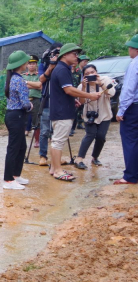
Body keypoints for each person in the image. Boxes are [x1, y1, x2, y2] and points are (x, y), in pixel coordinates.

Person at [49, 43, 100, 181]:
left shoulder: (61, 69)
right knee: (58, 141)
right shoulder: (62, 70)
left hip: (61, 110)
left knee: (57, 140)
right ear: (65, 55)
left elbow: (64, 92)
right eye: (74, 54)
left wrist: (73, 100)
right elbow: (69, 90)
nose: (76, 57)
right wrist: (89, 95)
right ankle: (58, 170)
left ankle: (54, 168)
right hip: (62, 112)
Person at [74, 64, 116, 169]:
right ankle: (79, 158)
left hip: (104, 114)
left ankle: (95, 157)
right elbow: (81, 102)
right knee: (90, 135)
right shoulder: (81, 86)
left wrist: (100, 84)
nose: (90, 75)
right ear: (83, 76)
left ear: (96, 72)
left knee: (101, 137)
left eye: (92, 72)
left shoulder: (105, 80)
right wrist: (83, 87)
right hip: (89, 115)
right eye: (87, 74)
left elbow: (111, 93)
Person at [3, 51, 32, 190]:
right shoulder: (19, 80)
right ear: (21, 64)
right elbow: (25, 103)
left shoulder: (11, 78)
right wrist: (31, 105)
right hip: (17, 116)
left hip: (12, 115)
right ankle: (8, 180)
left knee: (21, 147)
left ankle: (15, 175)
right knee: (14, 148)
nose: (28, 64)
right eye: (26, 62)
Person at [114, 34, 138, 185]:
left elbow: (129, 89)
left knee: (130, 140)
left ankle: (130, 176)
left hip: (134, 108)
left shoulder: (135, 63)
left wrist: (121, 110)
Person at [37, 42, 62, 166]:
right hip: (46, 100)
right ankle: (43, 156)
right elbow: (41, 80)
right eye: (55, 52)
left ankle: (56, 157)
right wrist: (51, 67)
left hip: (59, 100)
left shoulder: (63, 65)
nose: (58, 55)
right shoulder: (44, 64)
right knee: (45, 130)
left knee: (58, 131)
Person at [22, 55, 41, 145]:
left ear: (36, 65)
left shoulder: (39, 75)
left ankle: (37, 140)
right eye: (29, 64)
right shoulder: (23, 76)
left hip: (36, 100)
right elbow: (22, 86)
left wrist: (27, 83)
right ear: (27, 65)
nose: (31, 65)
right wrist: (34, 85)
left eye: (33, 63)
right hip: (25, 100)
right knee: (23, 119)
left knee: (36, 120)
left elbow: (40, 86)